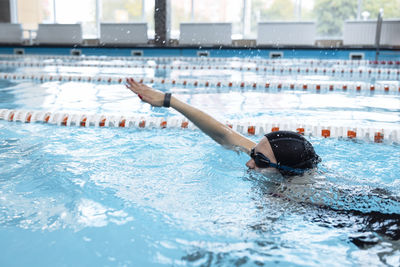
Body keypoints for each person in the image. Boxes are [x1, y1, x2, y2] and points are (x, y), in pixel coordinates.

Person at [126, 78, 321, 176]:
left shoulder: (293, 196)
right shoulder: (279, 163)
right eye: (254, 154)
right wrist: (170, 101)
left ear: (286, 171)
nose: (249, 163)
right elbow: (223, 135)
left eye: (259, 161)